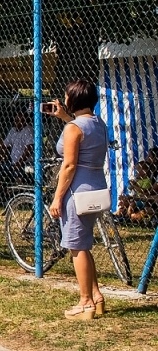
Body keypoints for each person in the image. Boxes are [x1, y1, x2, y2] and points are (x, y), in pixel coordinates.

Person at [50, 80, 109, 321]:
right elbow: (82, 138)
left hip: (77, 192)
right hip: (96, 187)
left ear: (73, 99)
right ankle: (96, 296)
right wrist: (66, 118)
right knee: (84, 244)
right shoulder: (98, 124)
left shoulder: (74, 128)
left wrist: (57, 197)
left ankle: (85, 303)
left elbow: (70, 164)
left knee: (77, 247)